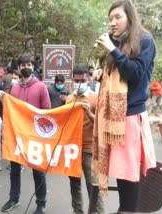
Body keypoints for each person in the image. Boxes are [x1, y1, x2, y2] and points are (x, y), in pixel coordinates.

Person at [93, 0, 156, 212]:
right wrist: (102, 73)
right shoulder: (119, 43)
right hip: (114, 116)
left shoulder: (144, 40)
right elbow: (118, 74)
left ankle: (128, 210)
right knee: (121, 172)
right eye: (110, 19)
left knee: (129, 174)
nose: (112, 23)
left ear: (130, 17)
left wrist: (112, 49)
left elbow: (134, 73)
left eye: (118, 17)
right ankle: (125, 208)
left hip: (129, 117)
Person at [0, 54, 51, 214]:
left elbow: (47, 111)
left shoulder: (41, 86)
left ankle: (41, 203)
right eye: (23, 65)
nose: (26, 67)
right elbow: (11, 110)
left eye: (28, 64)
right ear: (19, 68)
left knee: (38, 171)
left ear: (33, 67)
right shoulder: (14, 87)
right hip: (17, 136)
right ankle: (14, 198)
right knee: (14, 170)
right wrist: (3, 100)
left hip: (35, 136)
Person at [64, 65, 104, 214]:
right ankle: (77, 211)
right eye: (76, 80)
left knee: (93, 187)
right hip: (72, 150)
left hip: (89, 150)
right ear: (72, 80)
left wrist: (89, 113)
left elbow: (101, 125)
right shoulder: (69, 99)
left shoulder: (95, 98)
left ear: (88, 79)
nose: (79, 83)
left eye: (82, 80)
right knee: (74, 185)